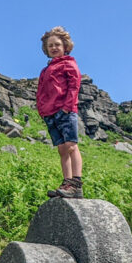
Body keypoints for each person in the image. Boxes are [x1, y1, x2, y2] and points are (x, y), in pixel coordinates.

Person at [37, 26, 83, 198]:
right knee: (62, 149)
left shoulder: (69, 64)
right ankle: (67, 183)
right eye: (50, 46)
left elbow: (74, 86)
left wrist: (67, 107)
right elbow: (41, 91)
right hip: (50, 113)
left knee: (71, 146)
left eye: (57, 44)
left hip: (65, 111)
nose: (54, 48)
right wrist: (42, 110)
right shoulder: (45, 70)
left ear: (65, 46)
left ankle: (76, 184)